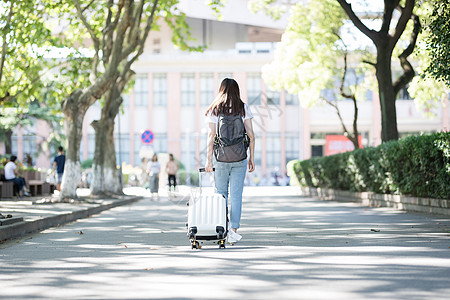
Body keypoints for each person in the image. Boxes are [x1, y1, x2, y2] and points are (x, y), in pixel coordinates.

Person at [205, 78, 255, 244]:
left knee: (221, 195)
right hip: (240, 157)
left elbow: (211, 136)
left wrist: (208, 161)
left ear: (221, 90)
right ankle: (233, 231)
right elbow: (251, 135)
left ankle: (222, 228)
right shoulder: (243, 108)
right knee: (236, 195)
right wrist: (252, 157)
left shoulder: (215, 109)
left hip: (220, 158)